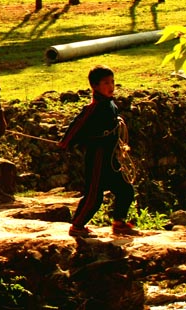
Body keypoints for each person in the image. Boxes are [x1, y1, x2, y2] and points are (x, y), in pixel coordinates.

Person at [58, 65, 140, 238]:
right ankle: (77, 226)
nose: (111, 86)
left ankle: (119, 223)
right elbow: (77, 125)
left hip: (111, 157)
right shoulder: (93, 108)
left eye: (112, 82)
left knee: (126, 190)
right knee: (94, 197)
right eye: (106, 83)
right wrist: (65, 143)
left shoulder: (109, 104)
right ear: (95, 86)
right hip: (98, 157)